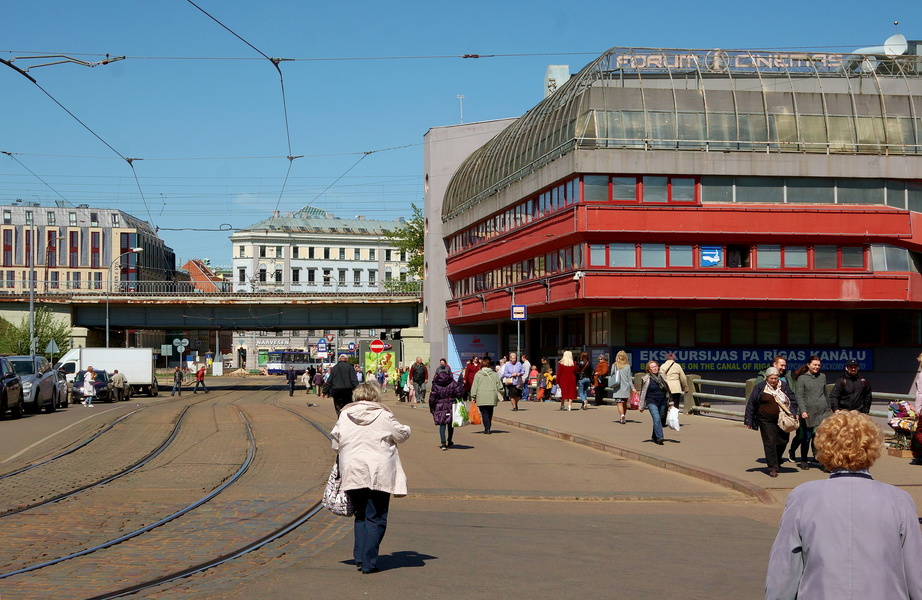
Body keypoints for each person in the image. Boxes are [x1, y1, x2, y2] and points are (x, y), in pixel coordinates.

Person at [765, 411, 922, 599]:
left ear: (824, 447)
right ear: (872, 447)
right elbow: (915, 572)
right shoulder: (899, 499)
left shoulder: (803, 496)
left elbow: (784, 570)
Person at [331, 381, 410, 575]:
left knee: (361, 515)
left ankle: (360, 557)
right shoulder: (383, 415)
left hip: (353, 469)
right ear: (376, 397)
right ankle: (369, 562)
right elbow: (400, 434)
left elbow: (335, 442)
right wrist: (408, 428)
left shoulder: (345, 415)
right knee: (376, 517)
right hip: (378, 471)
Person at [744, 367, 798, 477]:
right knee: (769, 442)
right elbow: (751, 403)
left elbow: (792, 399)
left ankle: (777, 459)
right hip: (765, 419)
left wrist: (793, 412)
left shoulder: (784, 386)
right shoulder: (760, 387)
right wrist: (749, 420)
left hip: (781, 418)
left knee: (783, 440)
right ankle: (773, 467)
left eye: (776, 378)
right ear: (766, 378)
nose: (774, 380)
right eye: (771, 378)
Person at [792, 356, 830, 470]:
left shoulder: (822, 376)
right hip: (808, 413)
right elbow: (799, 396)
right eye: (815, 364)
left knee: (821, 438)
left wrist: (829, 409)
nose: (817, 367)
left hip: (822, 412)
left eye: (819, 365)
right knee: (806, 438)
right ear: (808, 365)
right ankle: (804, 460)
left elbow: (825, 393)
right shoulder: (802, 379)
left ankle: (823, 462)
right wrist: (803, 410)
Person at [428, 368, 464, 450]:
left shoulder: (435, 383)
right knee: (450, 423)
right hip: (451, 405)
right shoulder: (452, 382)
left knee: (442, 424)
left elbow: (432, 397)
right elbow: (459, 393)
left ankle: (443, 443)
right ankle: (450, 440)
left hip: (439, 405)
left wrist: (431, 407)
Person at [639, 361, 671, 445]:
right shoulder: (646, 378)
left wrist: (671, 402)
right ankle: (660, 437)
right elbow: (643, 393)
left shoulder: (663, 377)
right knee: (656, 419)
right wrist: (641, 406)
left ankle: (654, 436)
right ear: (648, 369)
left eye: (655, 366)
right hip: (651, 401)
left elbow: (668, 390)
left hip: (662, 401)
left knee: (659, 420)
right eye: (652, 367)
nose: (654, 368)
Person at [469, 357, 504, 434]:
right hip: (492, 395)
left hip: (481, 395)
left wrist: (473, 396)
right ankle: (488, 426)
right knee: (490, 411)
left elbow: (475, 386)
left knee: (484, 413)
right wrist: (502, 392)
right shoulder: (494, 374)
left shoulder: (478, 374)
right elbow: (499, 385)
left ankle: (487, 428)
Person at [609, 351, 635, 424]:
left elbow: (611, 374)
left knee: (619, 403)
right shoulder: (627, 366)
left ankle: (622, 415)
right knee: (624, 403)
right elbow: (629, 378)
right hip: (626, 388)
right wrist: (633, 388)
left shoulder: (614, 365)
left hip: (618, 387)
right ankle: (623, 416)